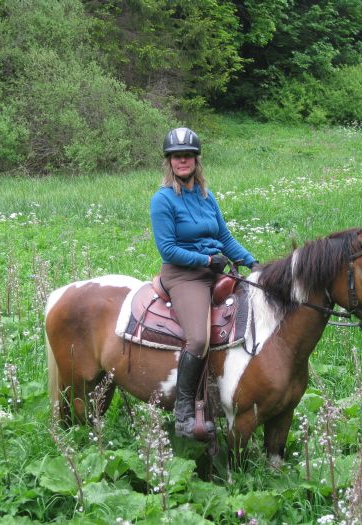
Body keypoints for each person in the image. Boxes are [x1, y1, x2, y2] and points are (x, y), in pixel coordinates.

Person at [150, 127, 259, 439]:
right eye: (176, 156)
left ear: (196, 160)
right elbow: (167, 248)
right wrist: (205, 261)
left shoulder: (206, 196)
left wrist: (252, 262)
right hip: (184, 275)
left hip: (215, 269)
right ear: (169, 162)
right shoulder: (162, 200)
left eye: (187, 155)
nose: (182, 160)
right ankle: (183, 409)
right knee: (198, 339)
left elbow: (224, 237)